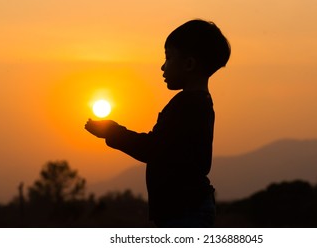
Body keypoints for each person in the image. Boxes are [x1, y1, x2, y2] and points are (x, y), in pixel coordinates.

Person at [85, 19, 231, 227]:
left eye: (168, 58)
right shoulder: (199, 104)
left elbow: (153, 149)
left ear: (189, 64)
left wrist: (112, 132)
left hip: (184, 212)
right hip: (187, 208)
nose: (162, 66)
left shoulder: (187, 106)